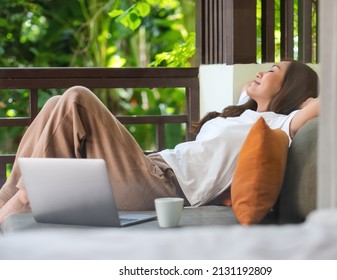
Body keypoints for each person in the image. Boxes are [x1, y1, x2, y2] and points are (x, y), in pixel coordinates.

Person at [0, 59, 319, 223]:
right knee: (57, 103)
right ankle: (8, 200)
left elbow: (330, 100)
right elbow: (251, 98)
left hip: (165, 187)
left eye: (273, 70)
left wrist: (306, 101)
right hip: (152, 166)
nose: (262, 73)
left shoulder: (279, 124)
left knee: (77, 100)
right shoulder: (242, 116)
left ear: (290, 89)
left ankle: (22, 202)